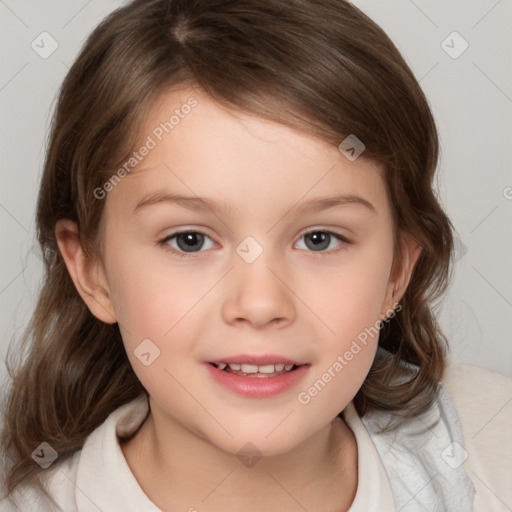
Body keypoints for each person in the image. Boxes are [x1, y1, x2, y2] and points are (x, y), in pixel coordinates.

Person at [1, 0, 511, 510]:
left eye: (319, 239)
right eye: (190, 240)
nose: (261, 303)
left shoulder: (493, 447)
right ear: (92, 271)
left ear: (397, 272)